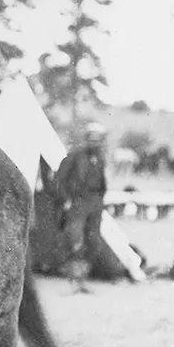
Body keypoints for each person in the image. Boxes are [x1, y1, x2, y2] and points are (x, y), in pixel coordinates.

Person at [55, 121, 108, 292]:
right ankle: (74, 281)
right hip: (77, 202)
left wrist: (100, 201)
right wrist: (66, 200)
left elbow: (101, 182)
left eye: (98, 140)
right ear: (86, 139)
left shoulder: (100, 157)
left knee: (93, 241)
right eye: (92, 139)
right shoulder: (75, 155)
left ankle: (82, 280)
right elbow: (59, 180)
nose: (96, 143)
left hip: (95, 203)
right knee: (75, 240)